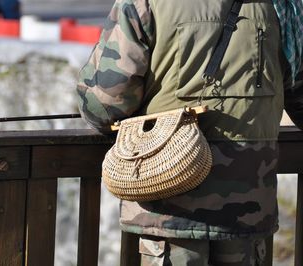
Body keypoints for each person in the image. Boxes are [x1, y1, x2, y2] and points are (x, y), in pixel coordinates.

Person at [76, 0, 303, 264]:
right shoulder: (283, 7)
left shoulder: (145, 3)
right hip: (249, 208)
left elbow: (104, 104)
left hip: (167, 197)